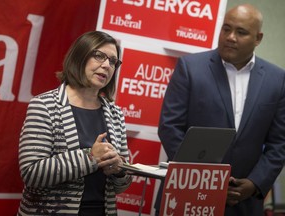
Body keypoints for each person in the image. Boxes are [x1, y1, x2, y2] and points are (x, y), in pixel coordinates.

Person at [156, 4, 285, 216]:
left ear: (258, 38)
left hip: (243, 203)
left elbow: (279, 143)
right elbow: (170, 127)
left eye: (241, 32)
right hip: (187, 196)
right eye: (226, 29)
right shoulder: (190, 68)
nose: (231, 37)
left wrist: (254, 184)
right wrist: (206, 181)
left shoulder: (277, 80)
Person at [18, 31, 132, 215]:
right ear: (80, 56)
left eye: (112, 61)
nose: (106, 65)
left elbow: (120, 187)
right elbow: (32, 173)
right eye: (99, 56)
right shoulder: (45, 105)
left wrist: (119, 170)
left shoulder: (115, 113)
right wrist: (90, 157)